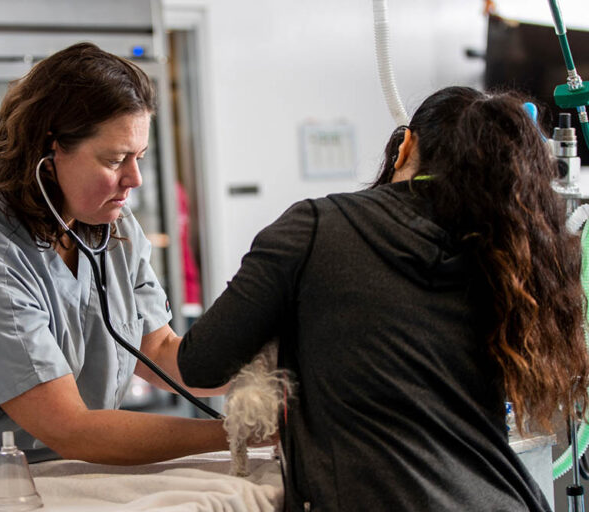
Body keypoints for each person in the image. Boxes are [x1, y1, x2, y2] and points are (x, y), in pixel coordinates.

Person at [176, 86, 589, 510]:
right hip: (508, 496)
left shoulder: (314, 227)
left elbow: (200, 363)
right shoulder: (509, 252)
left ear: (406, 143)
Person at [0, 42, 230, 480]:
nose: (135, 179)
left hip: (48, 475)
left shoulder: (114, 230)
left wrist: (275, 382)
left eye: (139, 158)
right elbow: (73, 430)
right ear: (49, 156)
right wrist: (235, 434)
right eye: (114, 159)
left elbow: (161, 352)